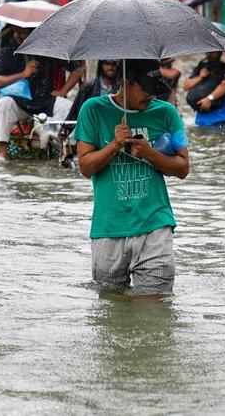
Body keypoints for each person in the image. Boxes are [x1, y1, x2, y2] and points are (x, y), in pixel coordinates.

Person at [73, 59, 189, 298]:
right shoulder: (92, 110)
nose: (150, 95)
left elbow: (183, 168)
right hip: (108, 228)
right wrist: (114, 145)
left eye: (154, 88)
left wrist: (149, 154)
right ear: (126, 83)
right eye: (145, 88)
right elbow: (85, 167)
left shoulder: (166, 113)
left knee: (154, 315)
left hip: (155, 226)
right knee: (113, 315)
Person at [0, 25, 84, 159]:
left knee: (68, 108)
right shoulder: (7, 52)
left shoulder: (47, 50)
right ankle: (2, 153)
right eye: (15, 32)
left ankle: (63, 148)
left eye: (22, 32)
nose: (18, 36)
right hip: (19, 102)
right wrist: (23, 74)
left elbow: (78, 70)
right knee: (4, 104)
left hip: (45, 100)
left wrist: (62, 91)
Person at [183, 51, 225, 127]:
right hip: (201, 114)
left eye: (214, 52)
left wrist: (209, 99)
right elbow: (186, 86)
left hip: (219, 114)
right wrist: (200, 76)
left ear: (220, 52)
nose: (210, 54)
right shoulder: (201, 67)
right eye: (208, 52)